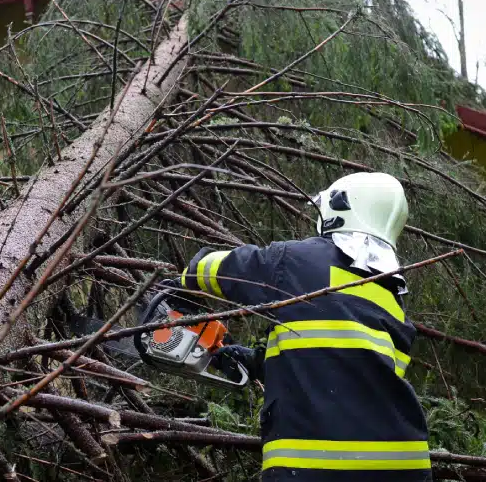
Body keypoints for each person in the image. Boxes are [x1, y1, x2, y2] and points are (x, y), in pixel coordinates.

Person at [175, 172, 432, 481]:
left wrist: (184, 279)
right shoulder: (390, 295)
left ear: (339, 209)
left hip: (316, 467)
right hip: (402, 466)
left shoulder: (295, 261)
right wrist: (255, 362)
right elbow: (347, 376)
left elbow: (218, 270)